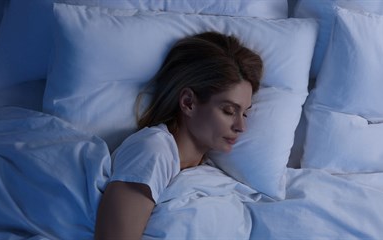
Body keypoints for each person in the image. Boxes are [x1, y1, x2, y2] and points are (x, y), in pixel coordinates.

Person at [94, 31, 263, 239]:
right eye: (228, 110)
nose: (241, 126)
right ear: (188, 103)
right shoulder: (153, 152)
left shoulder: (207, 170)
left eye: (244, 113)